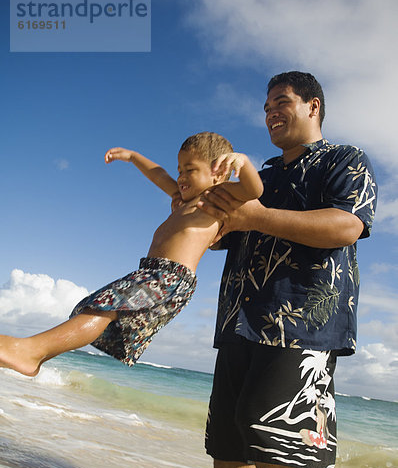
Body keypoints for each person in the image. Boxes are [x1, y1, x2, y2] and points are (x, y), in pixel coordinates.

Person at [198, 72, 377, 468]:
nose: (270, 113)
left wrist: (256, 216)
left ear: (313, 106)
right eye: (266, 107)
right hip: (239, 316)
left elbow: (346, 227)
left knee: (268, 427)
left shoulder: (345, 159)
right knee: (229, 438)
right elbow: (222, 233)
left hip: (300, 320)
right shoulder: (263, 175)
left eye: (281, 102)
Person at [0, 132, 263, 377]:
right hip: (151, 272)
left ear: (218, 174)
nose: (181, 177)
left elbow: (254, 190)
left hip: (170, 277)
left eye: (190, 170)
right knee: (95, 308)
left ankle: (29, 352)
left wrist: (244, 162)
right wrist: (134, 157)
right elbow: (158, 175)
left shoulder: (217, 198)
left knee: (101, 310)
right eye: (180, 170)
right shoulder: (183, 200)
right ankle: (34, 352)